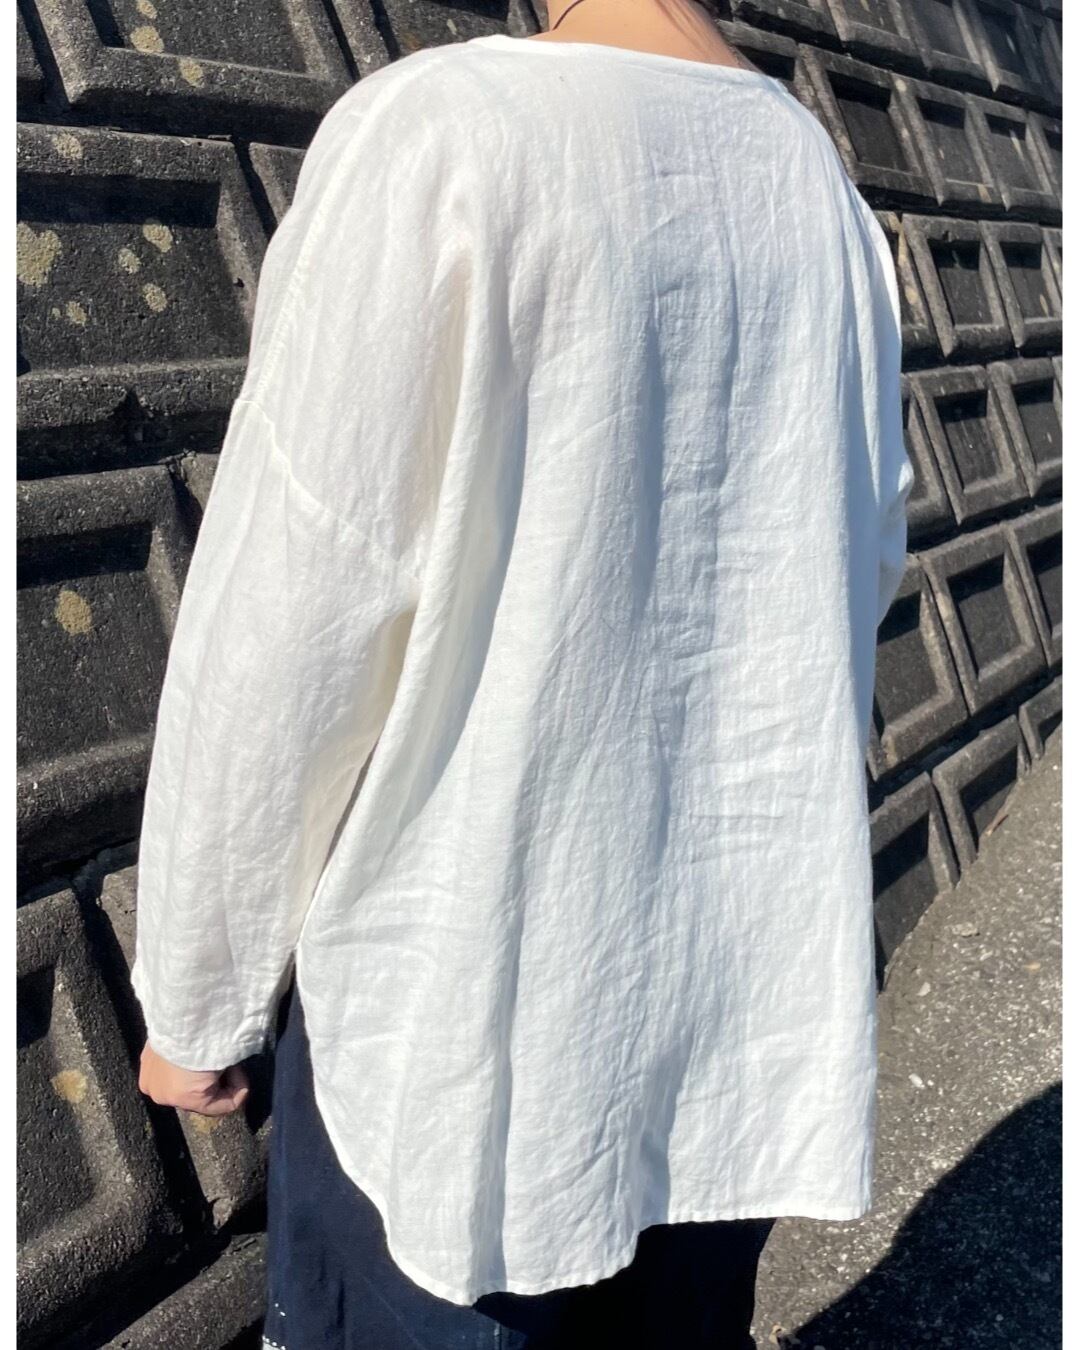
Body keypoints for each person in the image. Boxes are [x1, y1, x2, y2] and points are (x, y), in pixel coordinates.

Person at [133, 0, 914, 1345]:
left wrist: (199, 993)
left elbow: (298, 606)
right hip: (725, 1021)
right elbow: (862, 558)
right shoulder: (820, 189)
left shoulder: (449, 131)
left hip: (464, 1037)